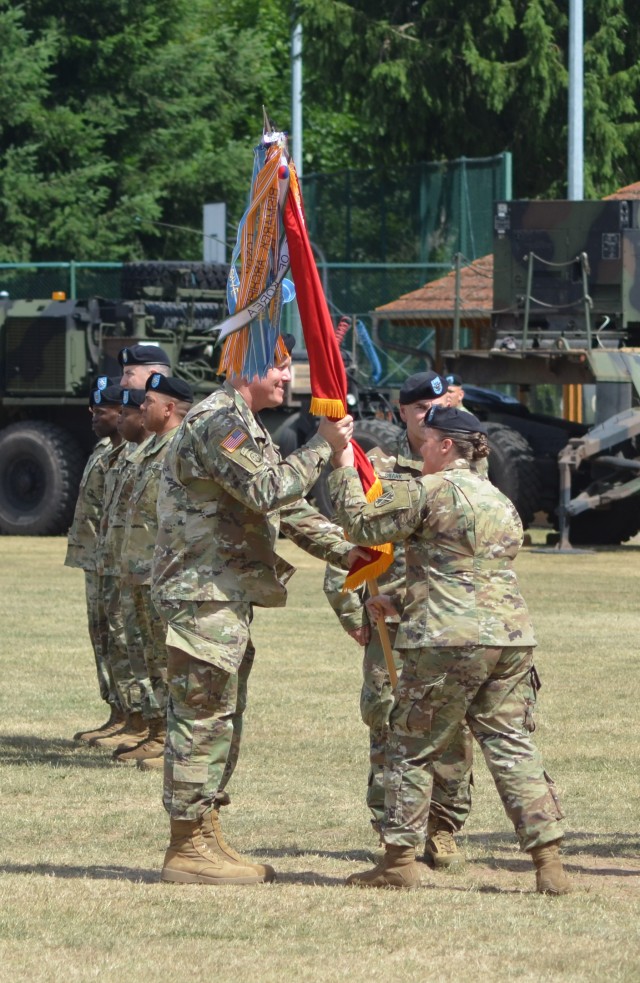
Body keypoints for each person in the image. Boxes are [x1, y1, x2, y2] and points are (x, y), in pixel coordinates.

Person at [325, 405, 570, 895]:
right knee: (511, 746)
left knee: (411, 745)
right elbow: (471, 572)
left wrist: (341, 465)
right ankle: (549, 863)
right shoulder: (500, 501)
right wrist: (400, 599)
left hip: (446, 639)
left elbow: (359, 524)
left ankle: (399, 859)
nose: (419, 447)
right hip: (509, 636)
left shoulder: (427, 489)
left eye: (426, 440)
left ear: (444, 446)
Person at [151, 335, 359, 886]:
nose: (289, 378)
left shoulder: (242, 420)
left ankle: (205, 831)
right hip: (203, 593)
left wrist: (349, 550)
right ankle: (186, 848)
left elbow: (286, 506)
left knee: (220, 715)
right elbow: (270, 489)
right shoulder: (221, 420)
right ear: (246, 365)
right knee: (202, 715)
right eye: (280, 366)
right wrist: (322, 443)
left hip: (222, 592)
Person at [323, 371, 474, 869]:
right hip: (389, 616)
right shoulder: (379, 468)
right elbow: (352, 540)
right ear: (401, 411)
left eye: (436, 405)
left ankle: (444, 826)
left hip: (447, 615)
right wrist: (350, 609)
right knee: (388, 717)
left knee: (449, 721)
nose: (428, 414)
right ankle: (392, 825)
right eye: (418, 408)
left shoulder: (467, 463)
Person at [116, 375, 194, 767]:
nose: (139, 407)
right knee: (148, 655)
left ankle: (173, 740)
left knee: (167, 657)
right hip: (140, 568)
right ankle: (158, 731)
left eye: (147, 401)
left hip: (163, 571)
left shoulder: (179, 448)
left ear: (168, 408)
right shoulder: (151, 448)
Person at [92, 389, 154, 752]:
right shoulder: (121, 453)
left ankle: (151, 725)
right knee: (118, 639)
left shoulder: (159, 453)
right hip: (119, 561)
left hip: (147, 567)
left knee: (147, 649)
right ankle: (127, 715)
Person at [68, 379, 123, 742]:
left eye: (100, 410)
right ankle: (119, 711)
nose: (93, 416)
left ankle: (137, 715)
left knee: (123, 639)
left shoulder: (131, 454)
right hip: (95, 561)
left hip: (119, 563)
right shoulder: (103, 449)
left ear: (122, 413)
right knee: (102, 637)